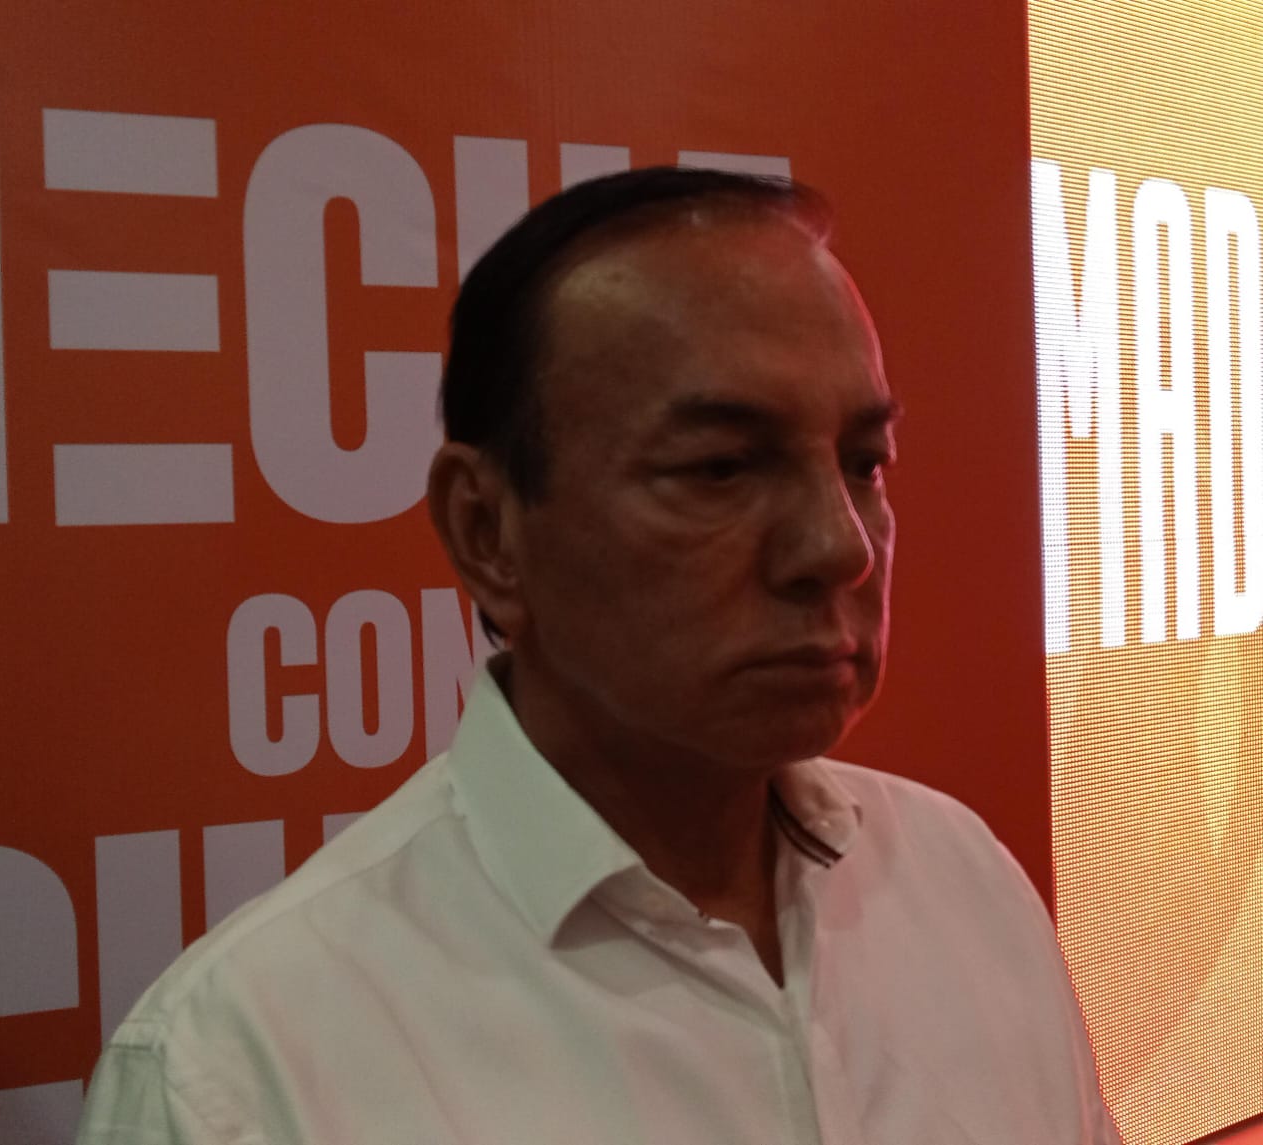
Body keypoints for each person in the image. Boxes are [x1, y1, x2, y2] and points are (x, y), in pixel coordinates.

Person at [76, 167, 1119, 1144]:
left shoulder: (962, 884)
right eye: (720, 467)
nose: (838, 545)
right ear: (487, 531)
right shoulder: (240, 1070)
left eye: (864, 462)